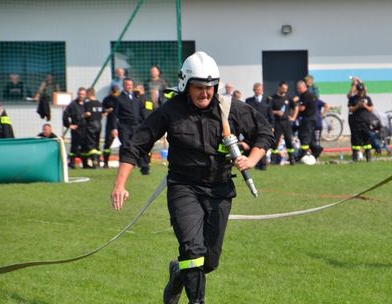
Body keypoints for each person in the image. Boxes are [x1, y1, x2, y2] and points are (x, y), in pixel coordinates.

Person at [110, 51, 274, 304]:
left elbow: (265, 133)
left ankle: (177, 274)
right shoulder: (170, 111)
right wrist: (120, 184)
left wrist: (251, 159)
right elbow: (136, 144)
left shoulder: (230, 109)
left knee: (209, 261)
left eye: (210, 88)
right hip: (183, 187)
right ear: (186, 85)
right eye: (198, 87)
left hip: (219, 190)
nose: (205, 94)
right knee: (192, 249)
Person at [112, 78, 149, 175]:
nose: (129, 86)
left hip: (137, 126)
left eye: (130, 85)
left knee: (141, 145)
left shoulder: (136, 97)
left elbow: (141, 111)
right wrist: (114, 128)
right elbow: (114, 115)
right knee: (125, 146)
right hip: (125, 126)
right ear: (123, 86)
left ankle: (144, 167)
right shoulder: (119, 99)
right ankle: (123, 167)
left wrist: (145, 124)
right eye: (127, 85)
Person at [245, 82, 273, 170]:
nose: (258, 91)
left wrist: (272, 126)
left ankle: (263, 165)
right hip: (253, 126)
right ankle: (256, 164)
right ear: (254, 90)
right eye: (257, 89)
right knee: (255, 144)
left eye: (260, 89)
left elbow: (270, 115)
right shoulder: (249, 101)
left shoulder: (267, 101)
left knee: (263, 144)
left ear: (262, 90)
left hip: (264, 126)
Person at [269, 81, 297, 165]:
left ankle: (292, 159)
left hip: (286, 122)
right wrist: (276, 112)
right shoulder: (273, 98)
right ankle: (273, 159)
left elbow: (296, 107)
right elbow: (269, 110)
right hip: (277, 122)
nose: (285, 90)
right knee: (276, 140)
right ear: (279, 88)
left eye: (286, 89)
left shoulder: (288, 98)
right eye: (283, 88)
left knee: (289, 139)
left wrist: (293, 117)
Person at [294, 80, 322, 160]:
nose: (298, 90)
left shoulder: (305, 95)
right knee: (310, 137)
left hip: (308, 119)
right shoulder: (309, 94)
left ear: (304, 87)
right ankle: (317, 149)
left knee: (305, 136)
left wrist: (295, 105)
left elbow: (302, 108)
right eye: (297, 88)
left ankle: (303, 154)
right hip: (311, 118)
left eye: (299, 88)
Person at [63, 87, 89, 169]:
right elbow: (65, 115)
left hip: (85, 128)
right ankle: (72, 163)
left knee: (85, 146)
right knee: (75, 146)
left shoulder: (87, 104)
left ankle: (85, 163)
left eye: (83, 94)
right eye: (80, 94)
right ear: (77, 94)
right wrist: (69, 125)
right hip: (76, 129)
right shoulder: (73, 104)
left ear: (85, 95)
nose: (81, 96)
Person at [347, 82, 374, 161]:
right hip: (356, 122)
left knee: (367, 141)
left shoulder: (367, 98)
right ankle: (355, 158)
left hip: (366, 122)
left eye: (362, 91)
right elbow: (350, 109)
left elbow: (371, 109)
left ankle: (368, 158)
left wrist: (365, 106)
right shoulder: (353, 99)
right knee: (355, 141)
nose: (361, 92)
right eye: (359, 91)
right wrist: (357, 106)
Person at [83, 88, 104, 168]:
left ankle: (94, 162)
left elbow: (88, 113)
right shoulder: (99, 103)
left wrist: (82, 115)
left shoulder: (88, 104)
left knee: (91, 143)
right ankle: (98, 162)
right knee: (97, 142)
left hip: (91, 124)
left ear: (89, 94)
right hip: (99, 123)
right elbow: (103, 113)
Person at [102, 86, 120, 168]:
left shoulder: (121, 98)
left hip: (121, 124)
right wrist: (106, 111)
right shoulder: (107, 99)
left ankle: (123, 162)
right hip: (110, 124)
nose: (115, 93)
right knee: (108, 144)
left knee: (124, 144)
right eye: (114, 91)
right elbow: (102, 109)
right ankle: (105, 162)